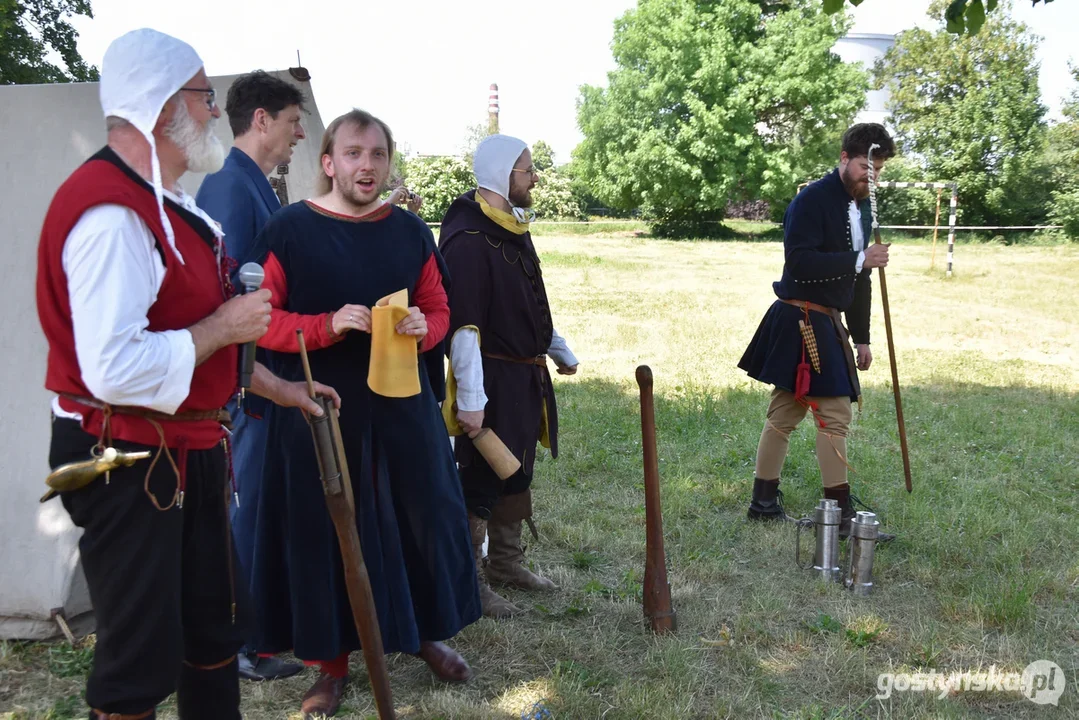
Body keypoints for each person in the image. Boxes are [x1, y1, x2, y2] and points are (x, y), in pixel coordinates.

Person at [34, 29, 339, 720]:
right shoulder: (112, 215)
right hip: (130, 459)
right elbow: (113, 370)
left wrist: (281, 388)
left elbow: (197, 346)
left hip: (186, 450)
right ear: (164, 105)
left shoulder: (170, 204)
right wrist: (224, 327)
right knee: (138, 660)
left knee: (212, 630)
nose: (211, 112)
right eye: (205, 97)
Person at [244, 109, 480, 718]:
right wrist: (324, 326)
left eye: (377, 154)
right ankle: (331, 665)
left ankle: (422, 633)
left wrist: (427, 329)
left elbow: (438, 303)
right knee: (325, 535)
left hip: (403, 409)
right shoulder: (288, 230)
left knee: (417, 518)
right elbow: (256, 319)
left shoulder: (408, 231)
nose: (366, 166)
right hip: (320, 412)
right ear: (328, 163)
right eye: (353, 154)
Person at [194, 69, 308, 683]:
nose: (298, 134)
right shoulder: (232, 189)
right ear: (260, 119)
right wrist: (253, 382)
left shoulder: (253, 184)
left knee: (261, 509)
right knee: (247, 509)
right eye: (292, 122)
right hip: (248, 382)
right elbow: (230, 298)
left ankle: (256, 634)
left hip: (261, 379)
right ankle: (240, 643)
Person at [438, 134, 579, 619]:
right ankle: (469, 582)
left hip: (524, 376)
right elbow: (463, 327)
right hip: (490, 378)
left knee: (517, 469)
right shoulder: (469, 240)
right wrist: (471, 399)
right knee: (481, 481)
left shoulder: (511, 228)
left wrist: (557, 347)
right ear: (502, 175)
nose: (534, 177)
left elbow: (528, 300)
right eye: (526, 170)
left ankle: (505, 562)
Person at [737, 122, 896, 541]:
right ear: (844, 158)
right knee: (834, 416)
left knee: (785, 412)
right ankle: (839, 517)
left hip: (827, 321)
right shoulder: (811, 201)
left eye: (877, 169)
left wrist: (861, 336)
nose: (871, 176)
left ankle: (763, 502)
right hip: (802, 317)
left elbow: (860, 281)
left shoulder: (862, 208)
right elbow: (801, 263)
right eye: (865, 166)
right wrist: (860, 258)